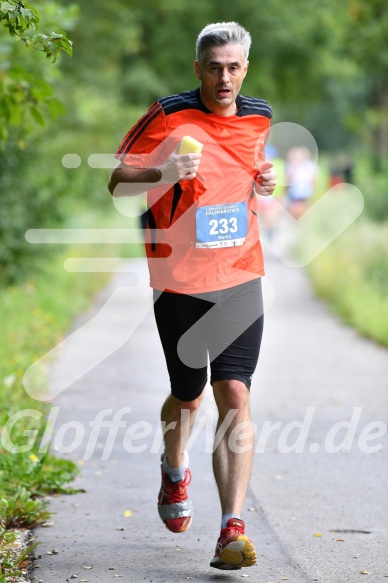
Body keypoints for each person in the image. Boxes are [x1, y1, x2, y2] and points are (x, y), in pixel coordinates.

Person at [108, 21, 276, 571]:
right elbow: (119, 183)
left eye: (234, 67)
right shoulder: (168, 115)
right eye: (214, 67)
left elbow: (244, 176)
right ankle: (173, 467)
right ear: (198, 67)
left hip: (240, 274)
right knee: (189, 395)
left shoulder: (259, 117)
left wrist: (263, 182)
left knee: (235, 393)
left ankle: (232, 527)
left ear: (244, 68)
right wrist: (163, 170)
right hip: (178, 280)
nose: (224, 77)